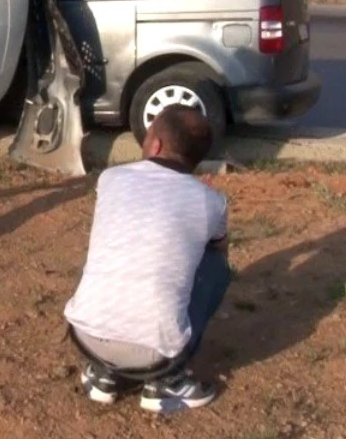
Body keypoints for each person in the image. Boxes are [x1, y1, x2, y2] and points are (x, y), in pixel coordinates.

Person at [62, 104, 232, 413]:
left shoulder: (111, 178)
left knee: (115, 251)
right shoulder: (212, 202)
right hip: (156, 354)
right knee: (215, 264)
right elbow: (220, 251)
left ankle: (105, 374)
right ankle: (166, 382)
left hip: (86, 338)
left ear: (154, 145)